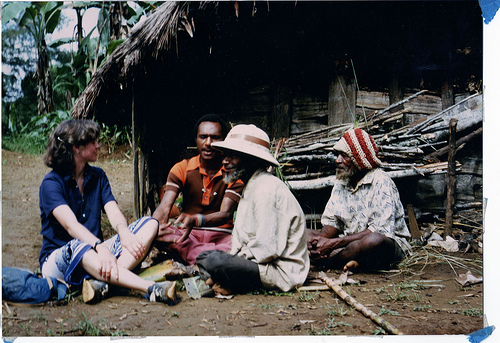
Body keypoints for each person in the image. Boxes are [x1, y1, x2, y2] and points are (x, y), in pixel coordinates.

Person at [39, 119, 177, 305]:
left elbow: (113, 211)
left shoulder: (98, 176)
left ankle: (103, 283)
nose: (98, 146)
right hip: (60, 260)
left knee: (150, 223)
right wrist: (100, 246)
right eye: (93, 142)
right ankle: (149, 288)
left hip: (97, 256)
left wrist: (124, 232)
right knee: (78, 246)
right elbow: (70, 226)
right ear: (76, 148)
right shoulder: (51, 183)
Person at [196, 124, 310, 295]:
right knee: (204, 257)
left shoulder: (267, 188)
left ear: (252, 159)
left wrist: (231, 262)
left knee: (215, 262)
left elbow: (267, 249)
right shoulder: (252, 185)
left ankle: (224, 281)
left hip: (278, 270)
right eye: (226, 156)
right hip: (259, 262)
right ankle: (224, 281)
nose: (225, 161)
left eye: (233, 156)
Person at [307, 128, 412, 272]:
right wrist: (321, 241)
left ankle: (325, 263)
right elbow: (333, 222)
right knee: (301, 232)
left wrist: (332, 244)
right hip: (347, 242)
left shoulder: (381, 181)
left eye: (344, 156)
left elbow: (379, 231)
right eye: (337, 155)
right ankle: (335, 258)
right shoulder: (342, 181)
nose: (338, 160)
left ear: (359, 160)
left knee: (373, 241)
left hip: (384, 244)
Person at [153, 114, 244, 265]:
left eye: (215, 137)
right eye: (203, 137)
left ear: (224, 141)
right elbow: (165, 207)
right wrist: (154, 227)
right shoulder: (182, 168)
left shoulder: (234, 173)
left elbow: (225, 213)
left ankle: (198, 257)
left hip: (221, 235)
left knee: (238, 243)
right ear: (196, 140)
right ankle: (213, 258)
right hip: (188, 234)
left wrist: (196, 220)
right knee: (163, 234)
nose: (208, 143)